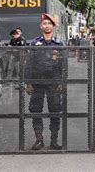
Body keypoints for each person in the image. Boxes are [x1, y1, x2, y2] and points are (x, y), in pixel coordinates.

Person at [24, 13, 66, 150]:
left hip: (54, 83)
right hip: (37, 83)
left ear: (53, 26)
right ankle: (39, 139)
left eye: (49, 23)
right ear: (40, 26)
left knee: (55, 110)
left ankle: (54, 140)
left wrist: (62, 82)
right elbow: (29, 63)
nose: (46, 26)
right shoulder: (34, 43)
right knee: (36, 110)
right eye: (44, 23)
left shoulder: (59, 44)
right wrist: (28, 82)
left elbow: (64, 65)